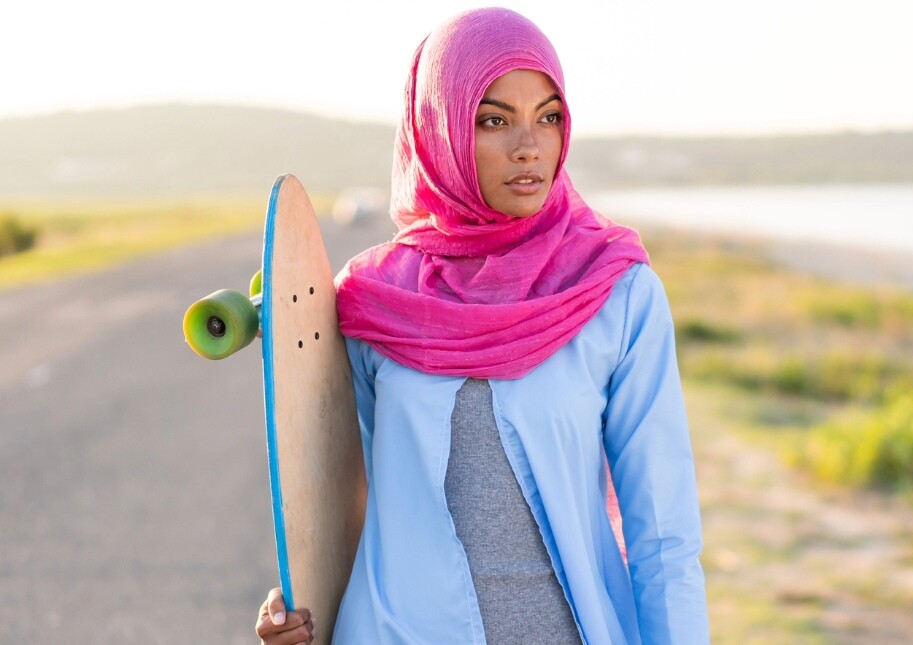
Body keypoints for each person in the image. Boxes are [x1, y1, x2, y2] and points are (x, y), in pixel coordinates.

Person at [254, 7, 708, 644]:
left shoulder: (616, 292)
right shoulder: (368, 302)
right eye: (493, 120)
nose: (528, 146)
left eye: (548, 117)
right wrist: (296, 608)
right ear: (437, 130)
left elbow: (663, 535)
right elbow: (331, 509)